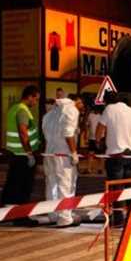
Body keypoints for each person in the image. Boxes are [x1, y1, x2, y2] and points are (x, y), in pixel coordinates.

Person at [96, 91, 131, 225]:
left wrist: (98, 141)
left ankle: (118, 218)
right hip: (130, 152)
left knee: (116, 186)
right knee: (129, 185)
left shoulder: (109, 109)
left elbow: (100, 129)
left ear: (107, 101)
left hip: (115, 153)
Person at [42, 94, 84, 227]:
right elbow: (68, 134)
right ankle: (65, 217)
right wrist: (73, 153)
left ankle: (53, 214)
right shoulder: (71, 110)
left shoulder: (51, 113)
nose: (82, 107)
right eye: (82, 104)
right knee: (66, 184)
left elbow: (45, 132)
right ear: (77, 101)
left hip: (49, 152)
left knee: (51, 184)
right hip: (64, 154)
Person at [1, 85, 41, 214]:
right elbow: (23, 132)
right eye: (35, 99)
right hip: (22, 155)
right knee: (23, 186)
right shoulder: (23, 111)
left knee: (13, 184)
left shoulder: (14, 108)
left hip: (15, 153)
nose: (36, 102)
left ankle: (7, 212)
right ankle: (20, 215)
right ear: (29, 97)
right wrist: (29, 153)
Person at [85, 105, 104, 174]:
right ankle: (89, 169)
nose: (96, 110)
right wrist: (86, 136)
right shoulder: (90, 115)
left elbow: (104, 127)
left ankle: (100, 168)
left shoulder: (102, 116)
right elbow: (87, 126)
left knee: (100, 155)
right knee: (90, 153)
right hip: (91, 138)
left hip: (100, 137)